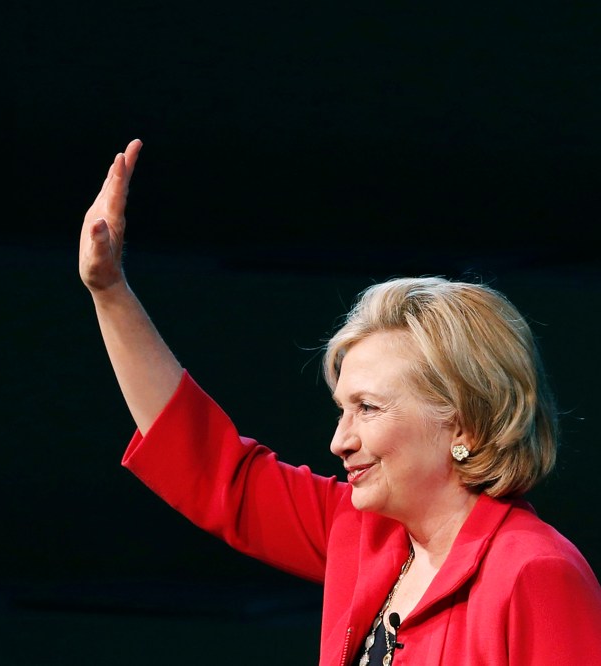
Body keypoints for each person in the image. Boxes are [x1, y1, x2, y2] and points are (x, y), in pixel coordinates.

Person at [78, 139, 601, 665]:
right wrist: (109, 291)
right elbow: (213, 469)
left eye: (368, 408)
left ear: (464, 424)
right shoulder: (361, 534)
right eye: (342, 409)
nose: (339, 441)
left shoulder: (536, 572)